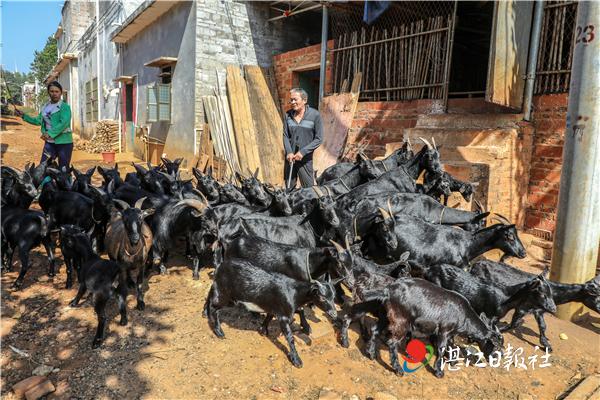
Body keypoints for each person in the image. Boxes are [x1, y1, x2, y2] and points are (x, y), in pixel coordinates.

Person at [15, 81, 73, 169]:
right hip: (49, 143)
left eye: (57, 91)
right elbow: (38, 120)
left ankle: (66, 183)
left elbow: (63, 123)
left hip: (64, 143)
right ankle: (47, 183)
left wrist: (49, 133)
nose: (54, 94)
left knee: (63, 169)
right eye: (52, 91)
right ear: (48, 92)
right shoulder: (46, 107)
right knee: (44, 167)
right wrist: (24, 116)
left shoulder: (65, 107)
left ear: (61, 93)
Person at [283, 88, 323, 189]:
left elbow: (319, 138)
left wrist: (303, 152)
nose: (292, 102)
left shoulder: (315, 115)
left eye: (295, 99)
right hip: (290, 159)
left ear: (304, 100)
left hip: (305, 159)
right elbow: (285, 135)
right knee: (289, 189)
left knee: (308, 190)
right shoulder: (288, 115)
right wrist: (288, 152)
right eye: (291, 100)